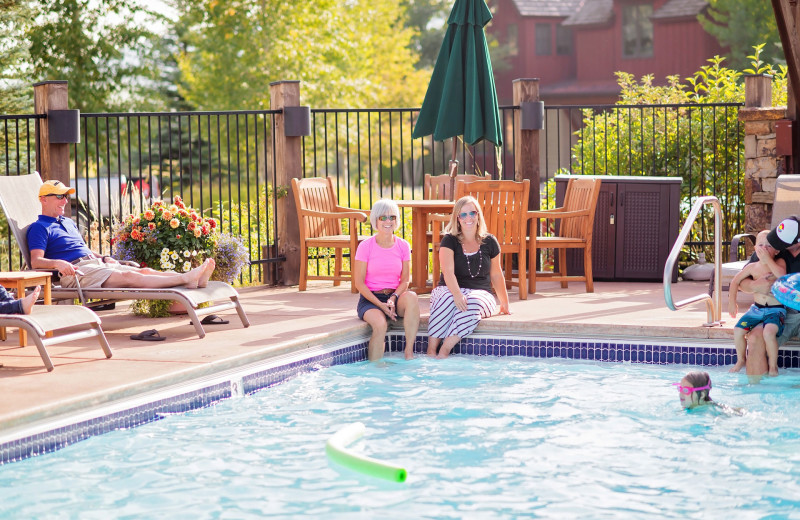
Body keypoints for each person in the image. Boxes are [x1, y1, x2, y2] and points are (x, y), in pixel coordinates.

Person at [28, 179, 215, 289]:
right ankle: (186, 279)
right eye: (60, 196)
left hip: (93, 264)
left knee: (144, 271)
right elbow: (36, 261)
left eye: (66, 196)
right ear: (43, 200)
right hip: (76, 272)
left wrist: (106, 257)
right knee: (130, 277)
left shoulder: (68, 222)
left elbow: (84, 250)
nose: (65, 201)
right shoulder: (39, 227)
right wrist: (59, 263)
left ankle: (189, 280)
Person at [427, 196, 510, 359]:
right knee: (447, 300)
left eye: (472, 213)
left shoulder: (490, 241)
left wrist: (505, 304)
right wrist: (457, 295)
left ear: (478, 215)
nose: (468, 218)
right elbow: (448, 272)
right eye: (463, 215)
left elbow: (496, 273)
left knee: (472, 303)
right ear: (457, 218)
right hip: (449, 288)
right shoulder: (449, 240)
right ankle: (431, 350)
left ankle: (444, 350)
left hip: (481, 293)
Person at [353, 199, 420, 361]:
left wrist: (393, 298)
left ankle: (408, 353)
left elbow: (405, 280)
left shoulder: (403, 245)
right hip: (371, 300)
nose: (388, 221)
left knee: (412, 297)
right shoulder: (365, 246)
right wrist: (380, 305)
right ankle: (376, 369)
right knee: (380, 324)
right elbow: (359, 283)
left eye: (392, 217)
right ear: (376, 220)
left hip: (394, 298)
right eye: (383, 217)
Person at [738, 216, 800, 377]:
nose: (773, 245)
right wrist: (754, 286)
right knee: (755, 338)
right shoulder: (770, 249)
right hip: (778, 311)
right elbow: (742, 282)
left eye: (780, 241)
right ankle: (756, 395)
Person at [728, 230, 786, 375]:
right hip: (756, 309)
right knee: (738, 330)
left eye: (769, 246)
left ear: (777, 250)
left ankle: (773, 366)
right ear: (755, 249)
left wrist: (769, 261)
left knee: (768, 333)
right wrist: (731, 302)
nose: (764, 249)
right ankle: (741, 359)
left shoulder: (779, 262)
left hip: (775, 309)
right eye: (761, 245)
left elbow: (782, 276)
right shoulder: (752, 267)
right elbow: (735, 281)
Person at [673, 371, 744, 415]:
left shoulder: (709, 411)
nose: (681, 393)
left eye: (686, 390)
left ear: (702, 395)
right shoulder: (689, 406)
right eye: (680, 389)